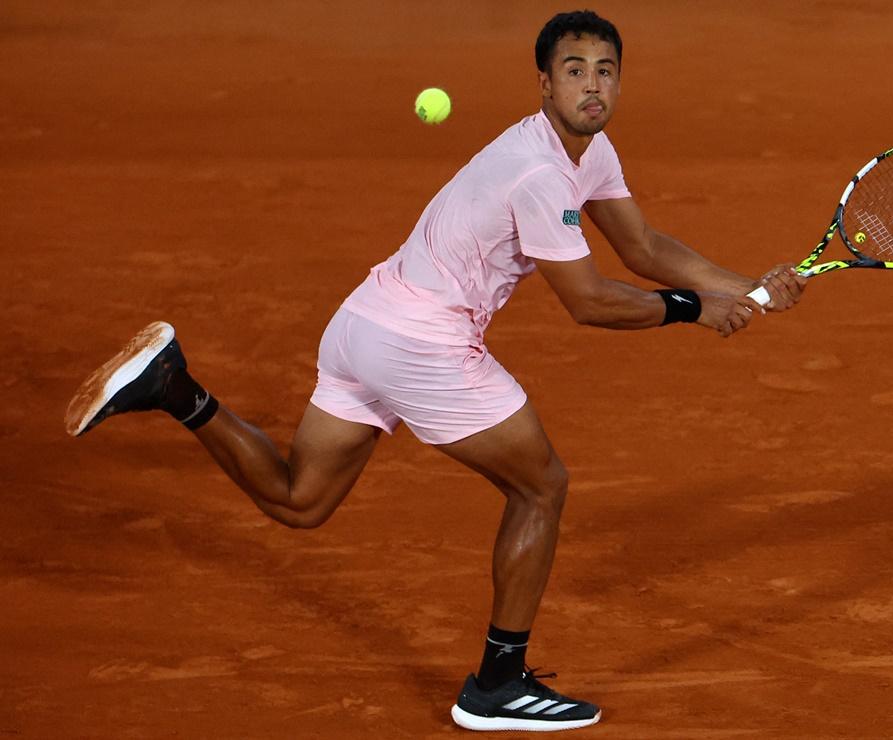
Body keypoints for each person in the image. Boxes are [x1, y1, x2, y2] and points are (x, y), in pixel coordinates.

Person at [64, 9, 807, 733]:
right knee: (541, 486)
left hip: (363, 325)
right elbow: (588, 302)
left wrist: (746, 289)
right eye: (574, 71)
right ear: (543, 85)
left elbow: (642, 247)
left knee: (300, 501)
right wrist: (691, 310)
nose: (592, 86)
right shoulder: (539, 175)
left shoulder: (589, 150)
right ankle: (497, 683)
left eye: (606, 72)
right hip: (425, 344)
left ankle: (174, 387)